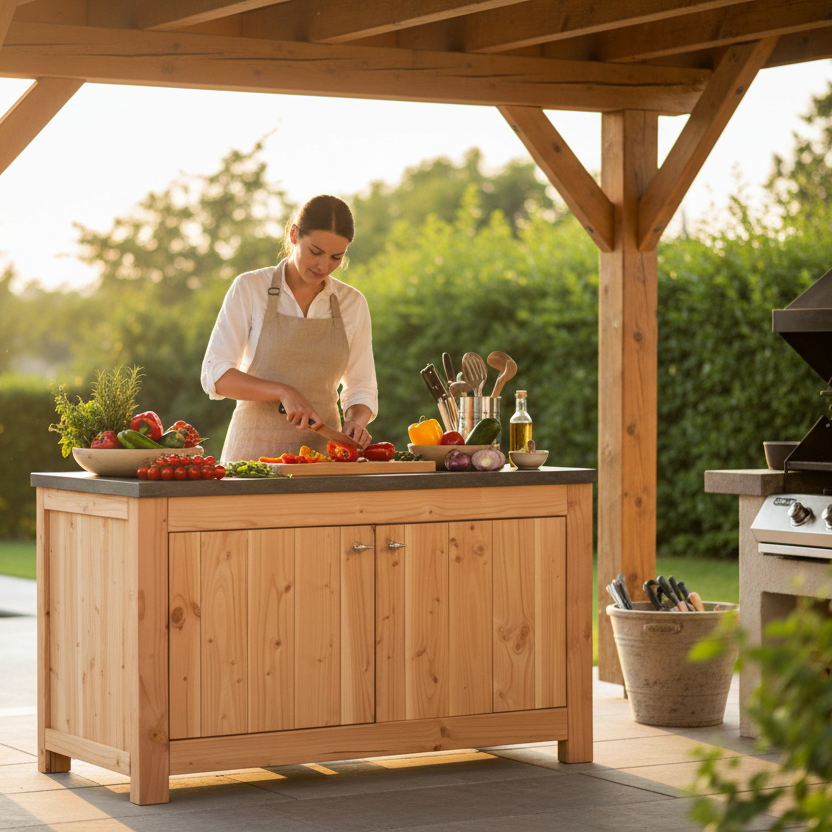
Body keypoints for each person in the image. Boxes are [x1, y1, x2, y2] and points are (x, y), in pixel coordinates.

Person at [201, 194, 377, 462]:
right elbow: (217, 375)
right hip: (251, 458)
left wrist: (356, 420)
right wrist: (283, 392)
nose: (323, 266)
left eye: (336, 257)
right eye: (315, 252)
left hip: (322, 461)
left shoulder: (352, 303)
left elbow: (362, 385)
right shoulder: (250, 288)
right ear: (294, 235)